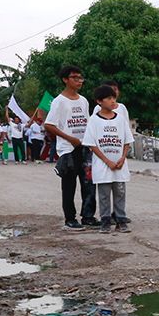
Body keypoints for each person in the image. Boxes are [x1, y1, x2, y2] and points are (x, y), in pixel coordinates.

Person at [45, 65, 96, 229]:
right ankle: (70, 218)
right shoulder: (59, 102)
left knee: (88, 183)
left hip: (85, 147)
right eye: (75, 77)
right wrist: (70, 139)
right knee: (69, 185)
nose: (79, 81)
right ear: (65, 80)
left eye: (81, 78)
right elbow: (49, 125)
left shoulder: (83, 101)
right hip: (68, 149)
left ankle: (88, 216)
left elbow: (87, 123)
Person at [82, 84, 135, 233]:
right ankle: (105, 221)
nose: (113, 101)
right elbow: (92, 144)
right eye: (109, 98)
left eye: (114, 98)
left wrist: (123, 157)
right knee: (104, 194)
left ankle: (121, 220)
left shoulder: (121, 119)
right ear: (99, 101)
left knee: (120, 193)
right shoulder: (94, 120)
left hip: (119, 165)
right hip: (103, 165)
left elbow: (127, 141)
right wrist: (107, 161)